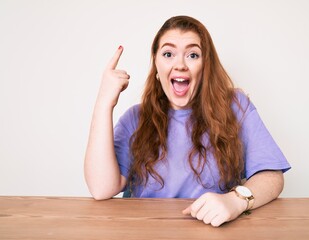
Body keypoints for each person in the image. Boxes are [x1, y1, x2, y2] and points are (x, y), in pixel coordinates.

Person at [84, 15, 291, 227]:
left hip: (214, 231)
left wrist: (235, 201)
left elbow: (272, 177)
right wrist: (103, 103)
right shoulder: (135, 118)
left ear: (205, 65)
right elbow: (101, 188)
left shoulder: (235, 107)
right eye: (168, 54)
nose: (180, 65)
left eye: (193, 55)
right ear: (156, 64)